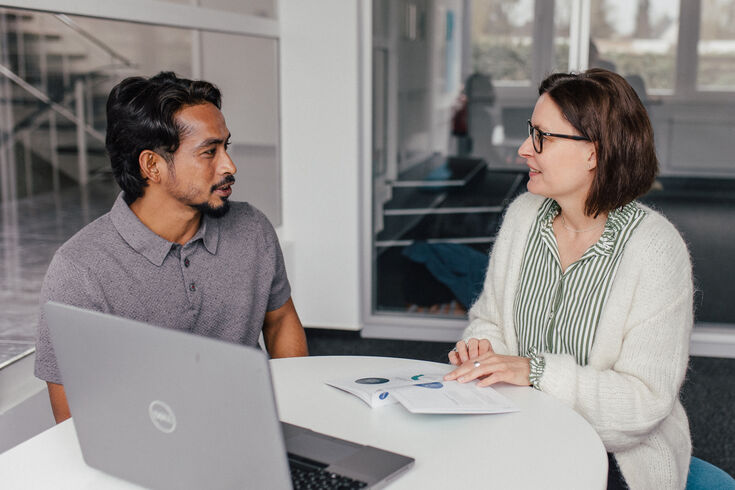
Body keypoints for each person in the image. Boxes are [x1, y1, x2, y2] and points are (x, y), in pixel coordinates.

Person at [444, 69, 693, 489]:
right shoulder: (523, 216)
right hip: (518, 430)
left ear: (593, 153)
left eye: (542, 137)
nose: (524, 149)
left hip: (612, 459)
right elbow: (489, 319)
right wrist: (483, 350)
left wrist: (536, 372)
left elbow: (644, 404)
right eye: (531, 132)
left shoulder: (655, 249)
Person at [35, 72, 308, 423]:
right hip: (151, 447)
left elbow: (280, 320)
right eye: (209, 152)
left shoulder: (253, 228)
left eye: (226, 147)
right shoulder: (79, 271)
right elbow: (74, 423)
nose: (229, 166)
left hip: (253, 426)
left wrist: (295, 414)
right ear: (152, 165)